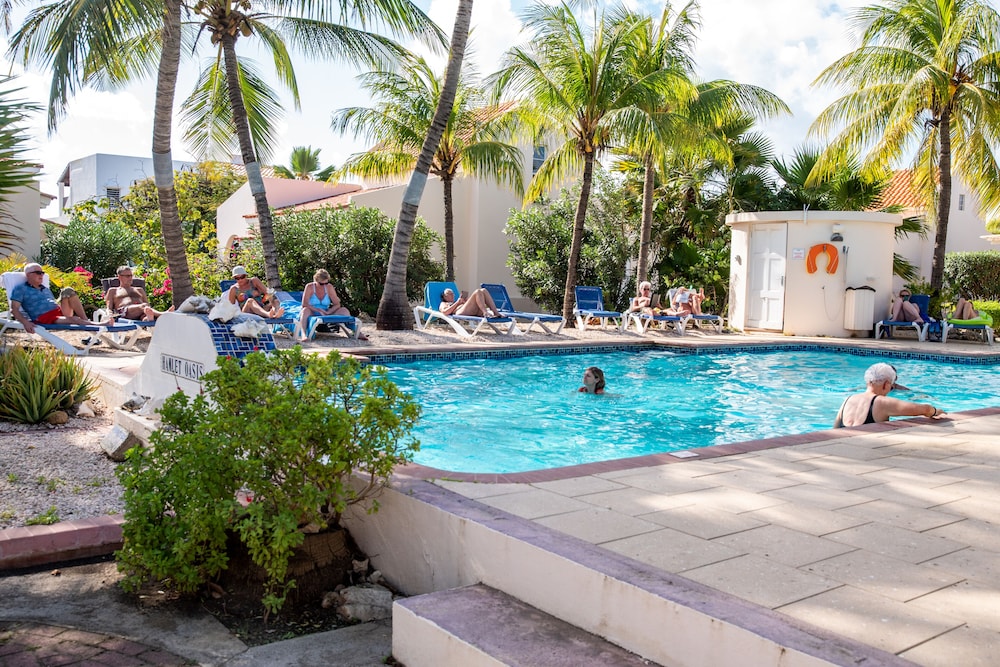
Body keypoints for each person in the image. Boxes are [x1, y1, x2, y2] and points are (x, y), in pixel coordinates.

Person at [833, 362, 944, 428]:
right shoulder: (881, 402)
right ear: (886, 384)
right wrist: (936, 411)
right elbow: (924, 409)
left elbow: (835, 429)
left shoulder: (848, 399)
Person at [9, 263, 107, 335]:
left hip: (58, 311)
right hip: (45, 317)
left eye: (42, 273)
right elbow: (14, 309)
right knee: (74, 319)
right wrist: (25, 322)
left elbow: (53, 302)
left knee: (68, 291)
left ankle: (85, 320)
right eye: (38, 273)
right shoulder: (21, 289)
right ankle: (99, 325)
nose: (41, 275)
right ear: (28, 275)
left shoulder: (45, 288)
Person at [299, 269, 368, 341]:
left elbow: (337, 304)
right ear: (315, 281)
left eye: (326, 283)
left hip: (326, 311)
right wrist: (318, 310)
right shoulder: (309, 287)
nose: (324, 285)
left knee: (344, 310)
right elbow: (304, 304)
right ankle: (304, 334)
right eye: (321, 284)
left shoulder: (329, 287)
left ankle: (356, 331)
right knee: (305, 311)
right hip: (313, 310)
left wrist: (328, 312)